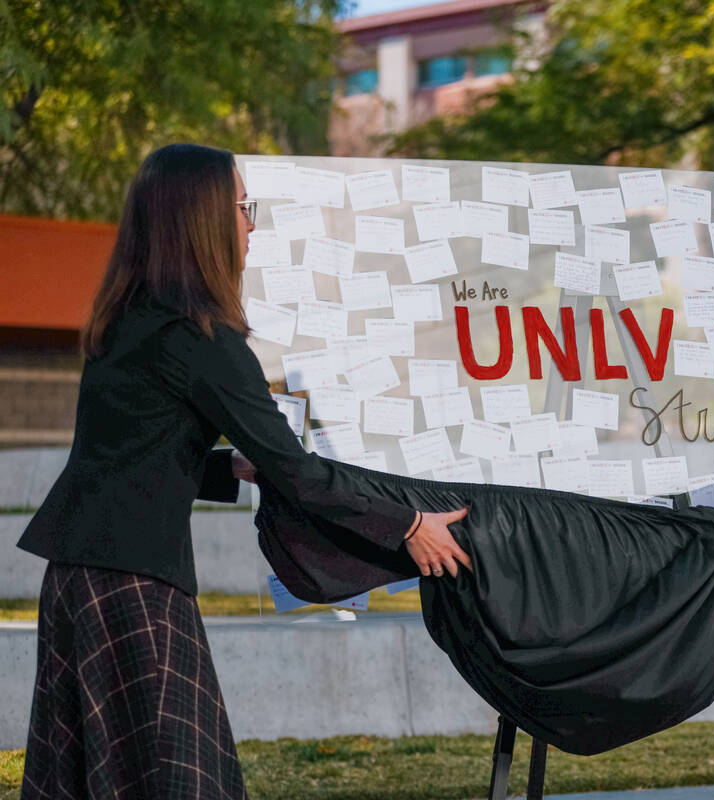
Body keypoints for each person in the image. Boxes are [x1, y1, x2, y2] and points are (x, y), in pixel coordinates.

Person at [16, 143, 471, 798]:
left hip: (80, 580)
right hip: (133, 586)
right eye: (242, 206)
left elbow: (129, 453)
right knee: (181, 778)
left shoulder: (130, 321)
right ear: (202, 218)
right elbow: (303, 475)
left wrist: (233, 466)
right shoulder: (202, 340)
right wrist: (409, 525)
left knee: (107, 780)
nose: (251, 224)